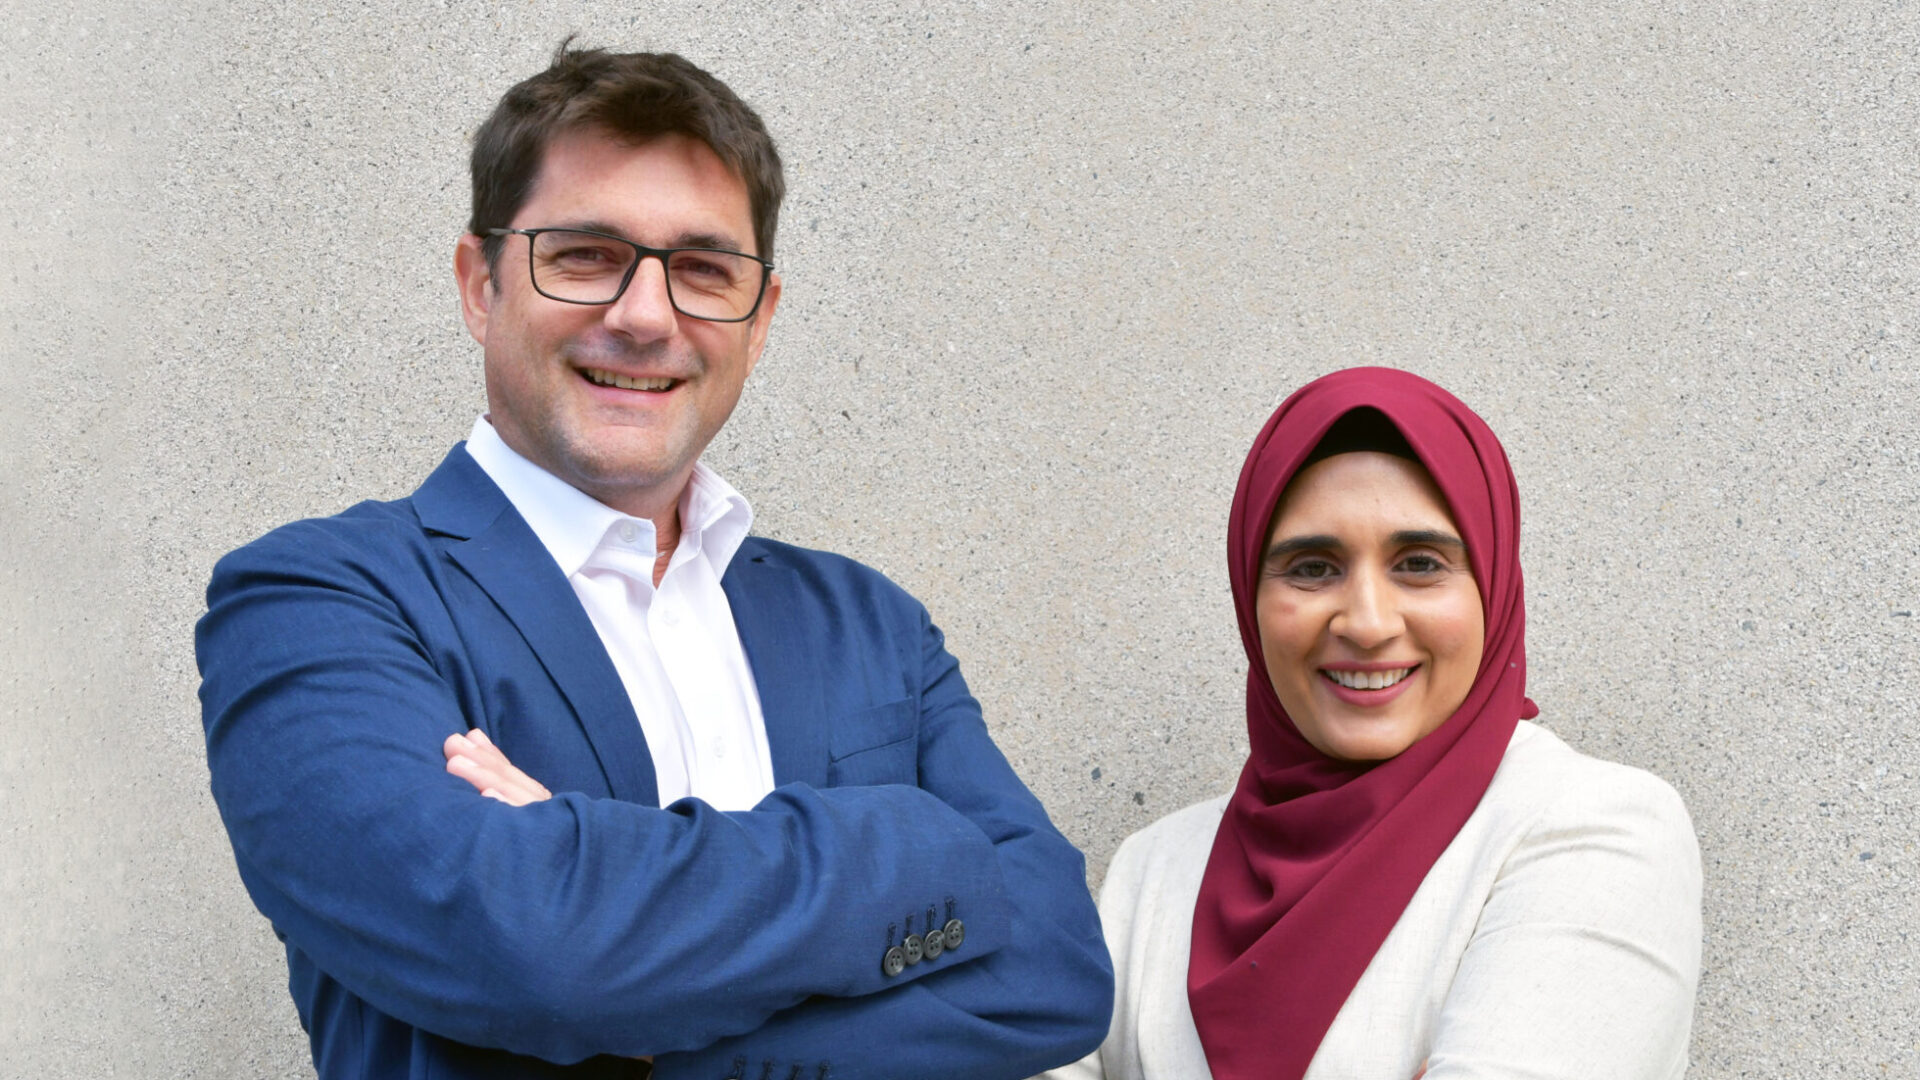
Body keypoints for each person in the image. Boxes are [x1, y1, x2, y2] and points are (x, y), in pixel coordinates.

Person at [196, 43, 1111, 1080]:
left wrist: (600, 896)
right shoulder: (320, 604)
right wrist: (911, 842)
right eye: (583, 254)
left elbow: (1060, 965)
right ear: (479, 285)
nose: (644, 314)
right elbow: (534, 957)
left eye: (704, 270)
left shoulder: (874, 627)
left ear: (759, 322)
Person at [1044, 367, 1701, 1080]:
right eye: (1312, 567)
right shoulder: (1156, 871)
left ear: (1493, 585)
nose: (1366, 623)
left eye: (1420, 564)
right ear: (1248, 594)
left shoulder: (1594, 829)